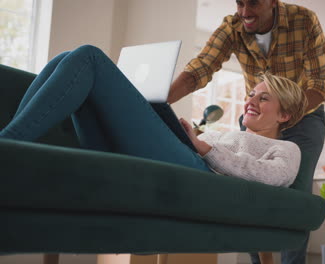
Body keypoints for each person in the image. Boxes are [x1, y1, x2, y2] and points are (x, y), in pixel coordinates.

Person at [0, 45, 308, 188]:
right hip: (181, 155)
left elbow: (272, 177)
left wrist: (204, 148)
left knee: (88, 57)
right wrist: (190, 135)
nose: (250, 100)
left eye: (263, 98)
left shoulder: (286, 150)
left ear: (285, 114)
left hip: (199, 173)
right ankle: (11, 145)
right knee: (64, 59)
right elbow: (197, 146)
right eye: (251, 94)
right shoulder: (223, 134)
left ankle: (7, 147)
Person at [167, 0, 325, 263]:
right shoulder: (233, 26)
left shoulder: (304, 20)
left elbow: (322, 82)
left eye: (253, 3)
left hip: (305, 113)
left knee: (296, 200)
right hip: (261, 115)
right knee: (245, 185)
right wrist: (159, 105)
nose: (245, 12)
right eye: (240, 3)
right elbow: (200, 68)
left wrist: (285, 115)